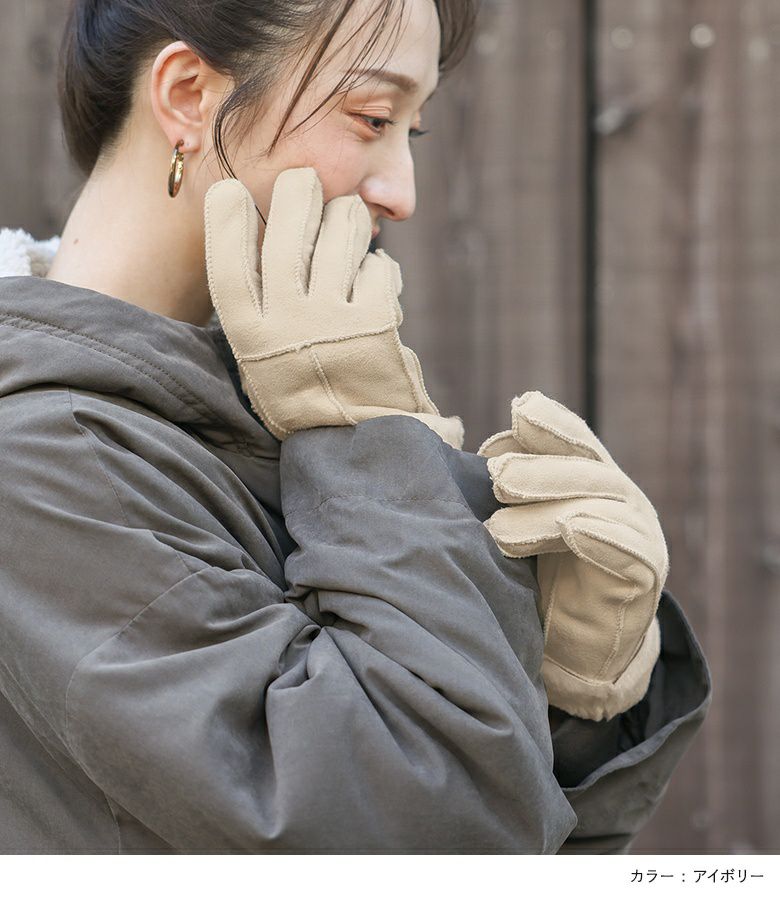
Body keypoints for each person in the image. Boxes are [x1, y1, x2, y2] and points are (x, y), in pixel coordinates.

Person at [0, 0, 710, 853]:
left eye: (415, 131)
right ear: (188, 94)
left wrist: (566, 698)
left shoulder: (274, 403)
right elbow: (425, 836)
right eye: (372, 117)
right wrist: (365, 440)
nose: (401, 193)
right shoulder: (37, 462)